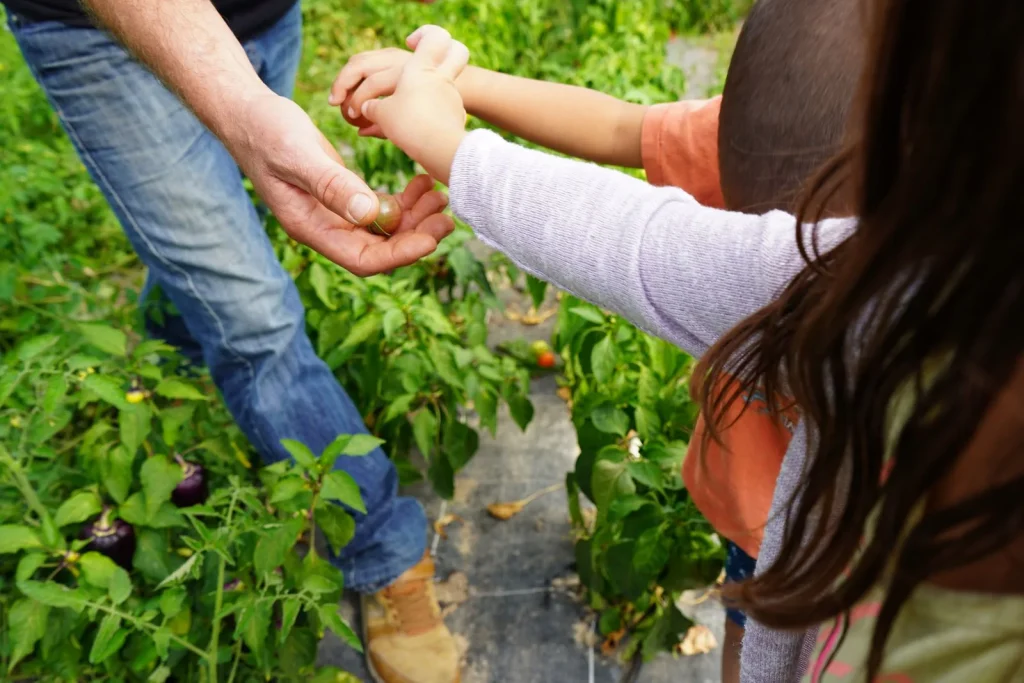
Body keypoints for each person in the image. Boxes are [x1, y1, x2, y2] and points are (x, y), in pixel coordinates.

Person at [343, 15, 1024, 682]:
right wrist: (456, 98)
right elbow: (633, 217)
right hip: (765, 544)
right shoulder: (850, 229)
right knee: (750, 620)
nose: (781, 265)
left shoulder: (890, 302)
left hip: (780, 537)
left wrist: (453, 140)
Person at [2, 0, 460, 680]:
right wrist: (240, 105)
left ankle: (168, 358)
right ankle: (384, 548)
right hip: (100, 33)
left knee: (209, 244)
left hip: (262, 14)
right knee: (255, 317)